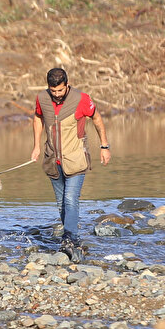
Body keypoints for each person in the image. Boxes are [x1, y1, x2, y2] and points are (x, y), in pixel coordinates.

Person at [30, 67, 110, 250]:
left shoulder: (82, 99)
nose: (57, 94)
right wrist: (36, 146)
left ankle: (70, 239)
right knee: (61, 203)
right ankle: (70, 236)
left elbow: (97, 119)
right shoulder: (42, 98)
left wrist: (104, 146)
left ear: (67, 84)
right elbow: (37, 118)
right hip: (52, 160)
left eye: (60, 90)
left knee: (71, 199)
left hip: (76, 159)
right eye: (53, 91)